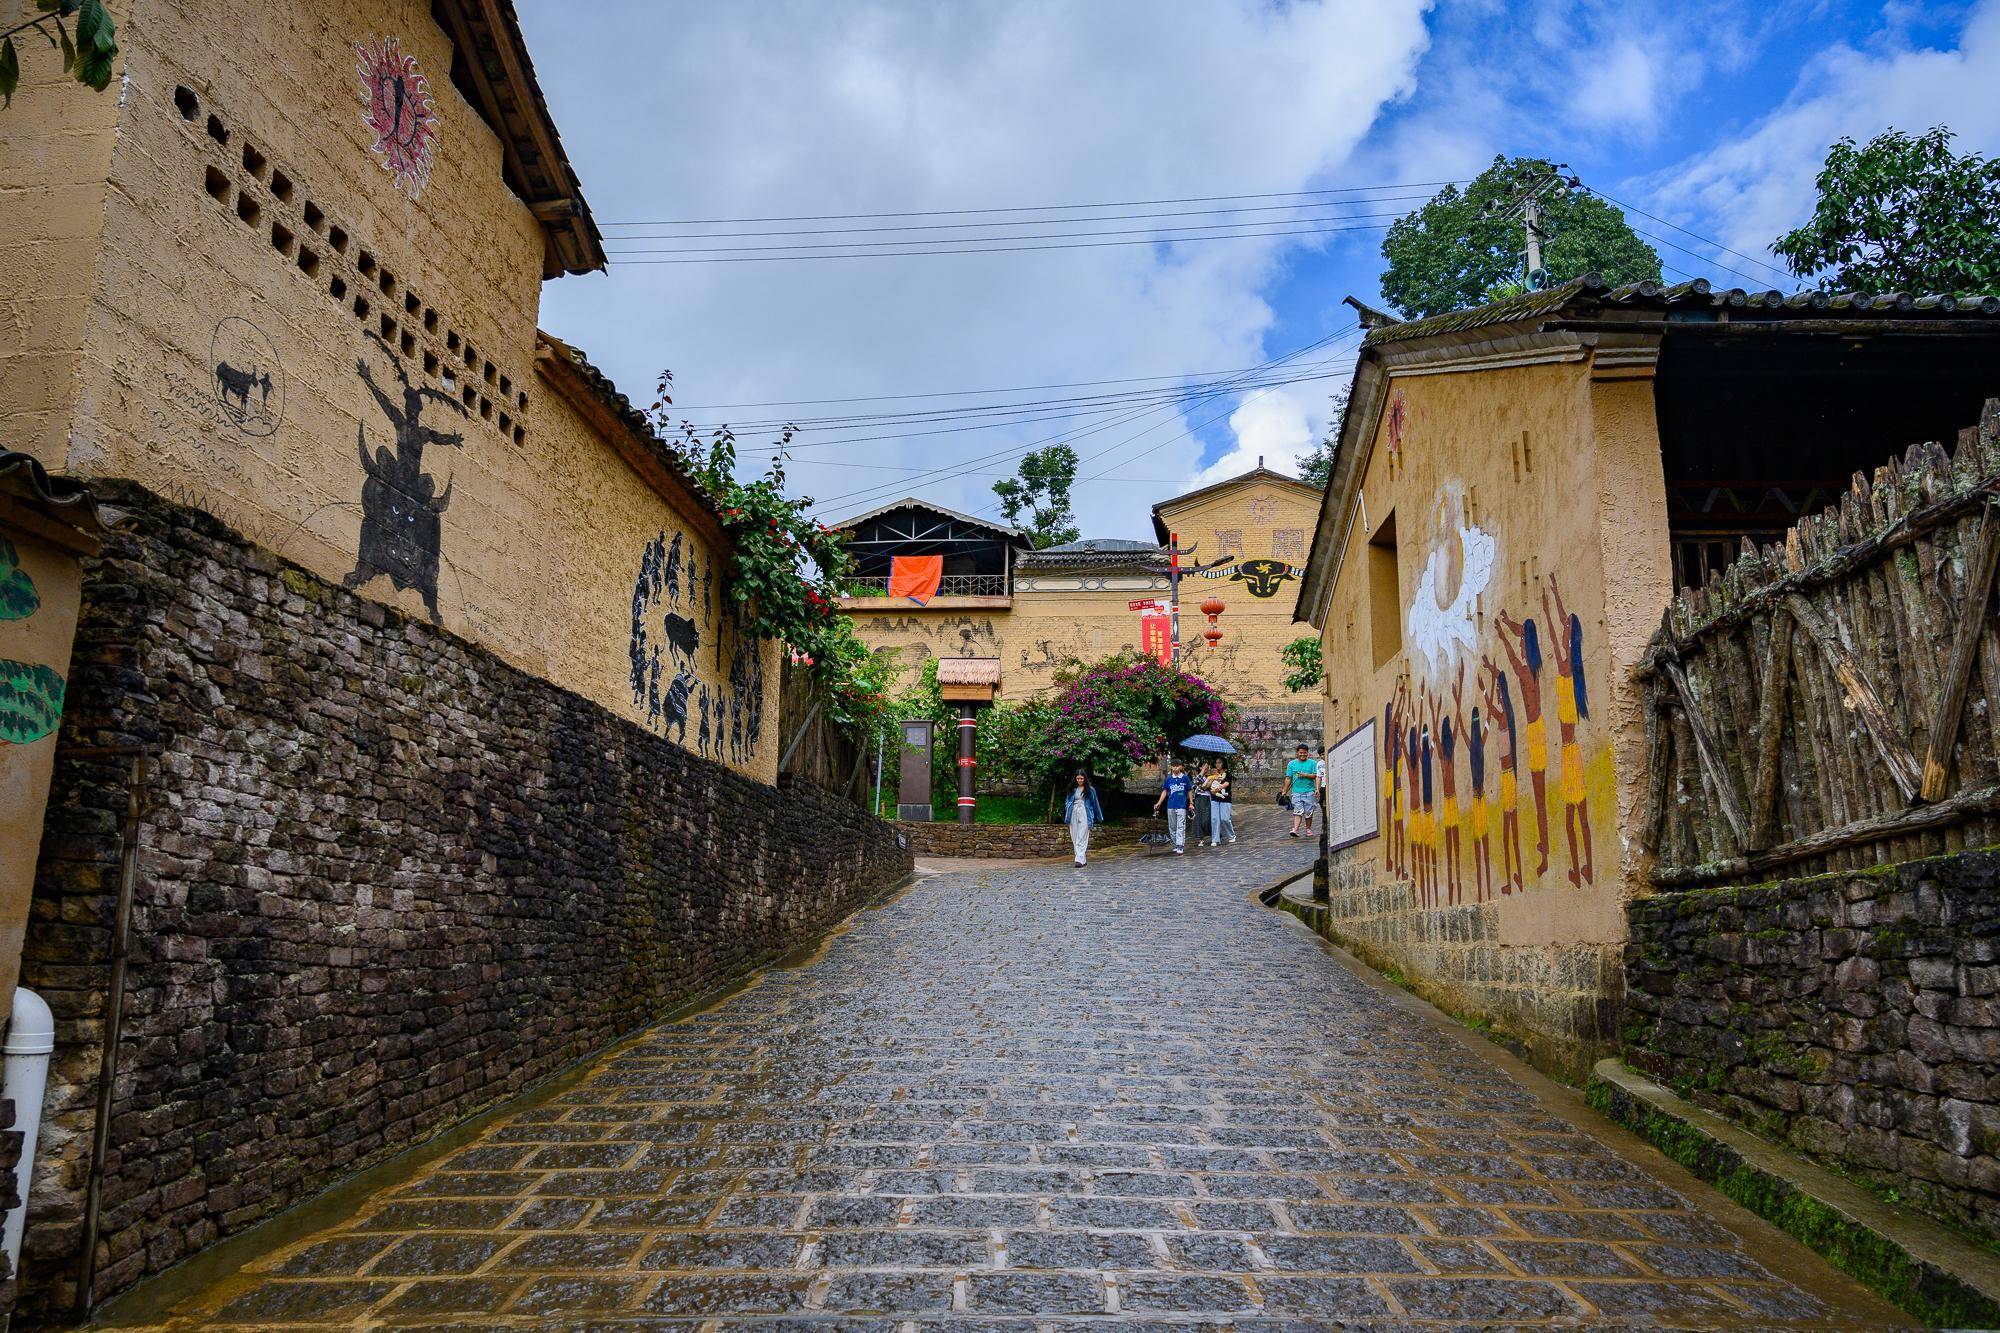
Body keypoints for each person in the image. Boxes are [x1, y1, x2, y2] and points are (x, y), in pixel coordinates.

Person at [1063, 769, 1104, 867]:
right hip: (1073, 813)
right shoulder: (1072, 789)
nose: (1079, 780)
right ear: (1075, 779)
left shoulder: (1090, 790)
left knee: (1082, 836)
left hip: (1085, 813)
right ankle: (1082, 859)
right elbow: (1067, 801)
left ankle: (1078, 860)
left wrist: (1099, 817)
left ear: (1084, 778)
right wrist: (1067, 807)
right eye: (1078, 778)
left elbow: (1095, 804)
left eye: (1081, 778)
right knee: (1074, 836)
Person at [1153, 758, 1193, 855]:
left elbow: (1189, 790)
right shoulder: (1169, 779)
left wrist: (1191, 803)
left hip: (1181, 806)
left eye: (1177, 766)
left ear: (1181, 767)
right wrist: (1159, 803)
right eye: (1173, 766)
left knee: (1180, 826)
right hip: (1170, 805)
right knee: (1172, 827)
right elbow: (1165, 791)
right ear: (1171, 767)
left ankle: (1180, 845)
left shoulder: (1185, 778)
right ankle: (1175, 844)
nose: (1175, 768)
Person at [1283, 743, 1317, 838]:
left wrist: (1305, 775)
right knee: (1297, 811)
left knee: (1308, 812)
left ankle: (1308, 828)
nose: (1303, 755)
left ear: (1307, 753)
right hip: (1296, 792)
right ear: (1297, 753)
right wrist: (1284, 791)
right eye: (1301, 753)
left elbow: (1315, 776)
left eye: (1305, 753)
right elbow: (1288, 778)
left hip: (1309, 792)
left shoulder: (1312, 763)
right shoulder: (1291, 764)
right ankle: (1296, 829)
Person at [1208, 762, 1236, 846]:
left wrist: (1218, 788)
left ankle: (1231, 835)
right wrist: (1212, 779)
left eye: (1219, 762)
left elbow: (1226, 784)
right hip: (1214, 798)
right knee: (1214, 819)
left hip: (1225, 798)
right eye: (1216, 763)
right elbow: (1208, 785)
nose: (1217, 764)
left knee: (1225, 818)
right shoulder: (1213, 774)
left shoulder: (1227, 774)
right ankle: (1215, 839)